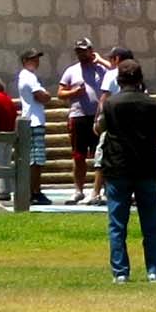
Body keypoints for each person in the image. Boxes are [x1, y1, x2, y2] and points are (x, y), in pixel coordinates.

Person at [94, 61, 156, 282]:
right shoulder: (154, 105)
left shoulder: (110, 104)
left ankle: (121, 272)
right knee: (151, 223)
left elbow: (99, 128)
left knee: (117, 224)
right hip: (147, 166)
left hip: (118, 167)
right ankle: (154, 271)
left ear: (119, 80)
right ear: (140, 79)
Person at [58, 38, 106, 204]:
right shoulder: (71, 71)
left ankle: (100, 190)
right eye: (78, 51)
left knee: (101, 155)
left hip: (97, 118)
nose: (81, 54)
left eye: (84, 51)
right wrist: (74, 92)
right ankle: (78, 190)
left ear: (91, 50)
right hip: (78, 116)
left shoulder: (101, 69)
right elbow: (60, 93)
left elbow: (115, 72)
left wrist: (100, 60)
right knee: (79, 156)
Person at [14, 48, 55, 205]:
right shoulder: (29, 77)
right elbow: (42, 96)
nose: (36, 61)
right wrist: (47, 95)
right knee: (36, 160)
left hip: (31, 120)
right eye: (33, 59)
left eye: (37, 58)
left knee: (34, 159)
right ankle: (34, 191)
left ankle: (33, 190)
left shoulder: (26, 76)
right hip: (34, 121)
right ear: (25, 61)